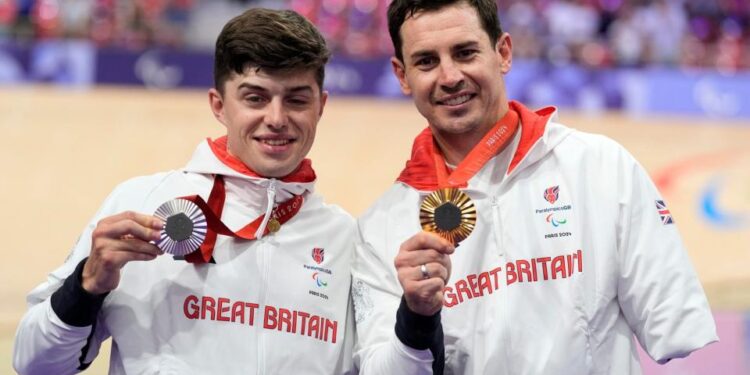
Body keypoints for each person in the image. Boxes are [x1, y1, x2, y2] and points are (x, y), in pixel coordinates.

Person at [352, 0, 718, 374]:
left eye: (465, 53)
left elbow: (675, 321)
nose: (449, 77)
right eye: (426, 61)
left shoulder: (602, 167)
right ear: (402, 75)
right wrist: (415, 317)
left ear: (503, 53)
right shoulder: (378, 228)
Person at [13, 8, 356, 374]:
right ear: (219, 106)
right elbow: (34, 363)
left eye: (297, 100)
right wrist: (85, 286)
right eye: (255, 98)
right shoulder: (141, 205)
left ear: (321, 106)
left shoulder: (347, 240)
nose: (276, 118)